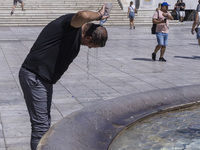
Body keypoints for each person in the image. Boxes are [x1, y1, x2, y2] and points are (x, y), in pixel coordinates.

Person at [18, 5, 109, 150]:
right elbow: (83, 15)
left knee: (44, 123)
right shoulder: (71, 27)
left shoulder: (75, 33)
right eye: (92, 45)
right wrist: (99, 14)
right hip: (35, 77)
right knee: (40, 127)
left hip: (43, 79)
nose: (90, 48)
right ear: (89, 37)